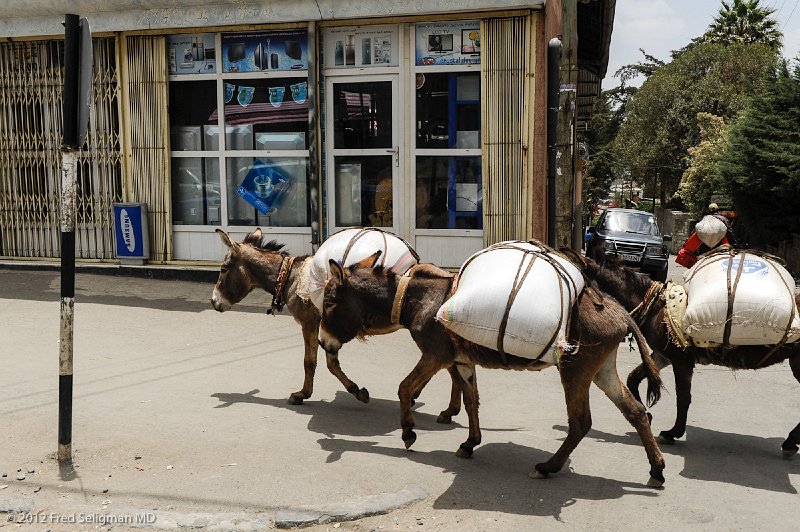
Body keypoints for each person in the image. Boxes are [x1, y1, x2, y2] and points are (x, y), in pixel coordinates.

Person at [675, 203, 737, 268]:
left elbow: (697, 232)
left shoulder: (704, 219)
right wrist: (734, 245)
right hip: (720, 246)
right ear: (718, 211)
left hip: (704, 249)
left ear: (708, 211)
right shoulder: (723, 219)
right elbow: (729, 232)